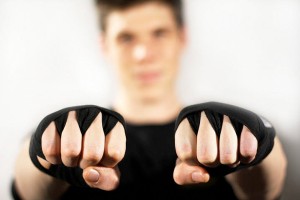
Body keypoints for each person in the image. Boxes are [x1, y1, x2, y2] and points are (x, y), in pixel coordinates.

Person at [12, 0, 287, 199]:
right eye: (126, 38)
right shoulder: (74, 136)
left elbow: (264, 188)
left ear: (182, 38)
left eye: (159, 33)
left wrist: (258, 145)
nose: (143, 53)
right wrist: (44, 155)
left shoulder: (222, 131)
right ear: (105, 45)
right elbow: (29, 186)